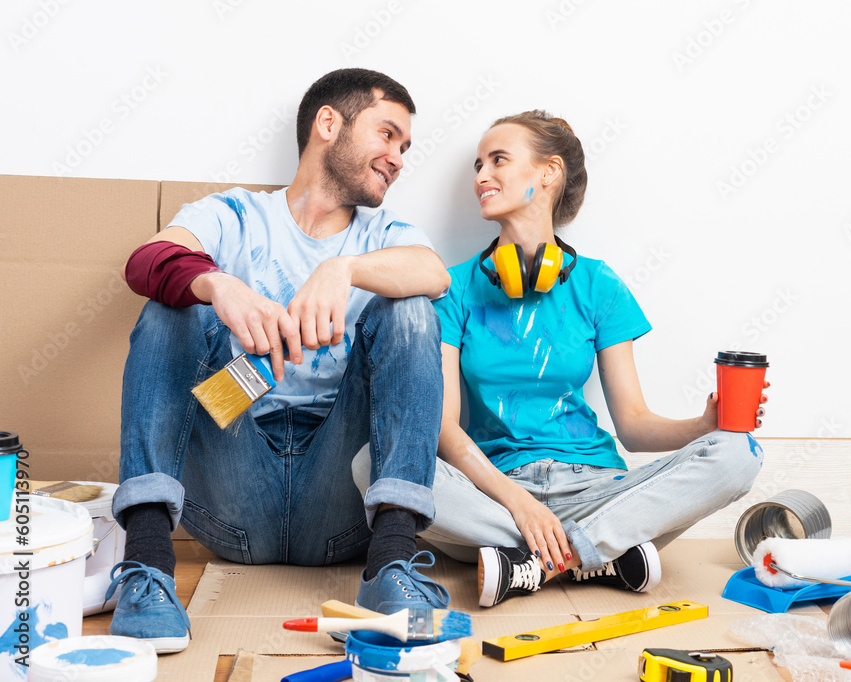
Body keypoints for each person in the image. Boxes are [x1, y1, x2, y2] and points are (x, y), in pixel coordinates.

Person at [110, 68, 451, 652]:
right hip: (231, 484)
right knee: (174, 309)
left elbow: (434, 272)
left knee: (412, 310)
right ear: (328, 123)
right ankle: (147, 568)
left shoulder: (386, 233)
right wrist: (218, 286)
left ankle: (394, 564)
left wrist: (342, 270)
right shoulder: (235, 215)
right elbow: (147, 260)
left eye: (405, 147)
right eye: (388, 134)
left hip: (342, 501)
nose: (398, 157)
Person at [417, 110, 768, 607]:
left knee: (738, 453)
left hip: (597, 489)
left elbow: (634, 425)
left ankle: (536, 563)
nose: (480, 177)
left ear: (548, 172)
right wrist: (519, 503)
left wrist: (705, 424)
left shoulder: (598, 286)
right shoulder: (452, 288)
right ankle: (600, 553)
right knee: (376, 461)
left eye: (498, 160)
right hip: (494, 494)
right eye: (477, 165)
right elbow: (444, 429)